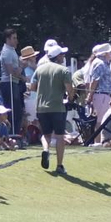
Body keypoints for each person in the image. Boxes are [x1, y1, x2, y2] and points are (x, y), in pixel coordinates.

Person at [33, 41, 75, 173]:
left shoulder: (39, 69)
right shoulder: (64, 70)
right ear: (58, 57)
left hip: (41, 108)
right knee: (60, 136)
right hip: (57, 107)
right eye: (62, 55)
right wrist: (70, 97)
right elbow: (70, 90)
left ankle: (46, 150)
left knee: (45, 135)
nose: (63, 57)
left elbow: (32, 87)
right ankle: (59, 165)